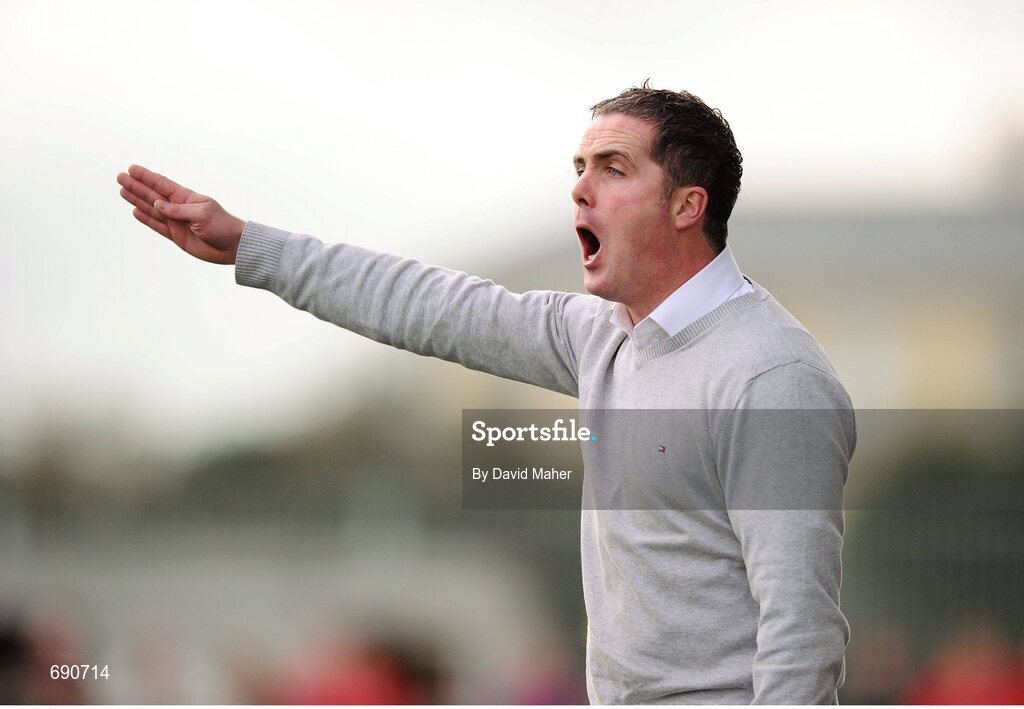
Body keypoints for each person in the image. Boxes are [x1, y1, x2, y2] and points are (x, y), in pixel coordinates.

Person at [117, 84, 855, 704]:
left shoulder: (770, 376)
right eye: (579, 166)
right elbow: (430, 304)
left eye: (613, 167)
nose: (580, 185)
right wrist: (251, 245)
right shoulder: (598, 334)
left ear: (687, 205)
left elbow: (802, 633)